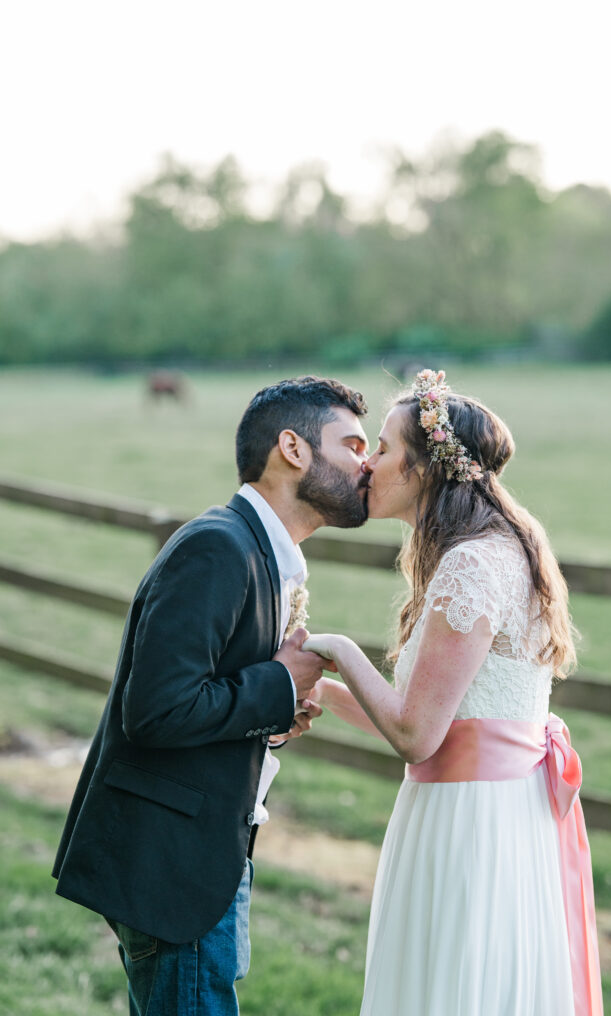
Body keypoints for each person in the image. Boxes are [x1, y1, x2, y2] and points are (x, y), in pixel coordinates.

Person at [52, 375, 370, 1016]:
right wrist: (279, 683)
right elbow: (157, 710)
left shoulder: (259, 550)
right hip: (173, 867)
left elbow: (202, 695)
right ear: (293, 448)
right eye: (354, 445)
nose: (367, 465)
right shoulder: (219, 547)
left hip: (202, 856)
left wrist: (275, 712)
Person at [304, 368, 603, 1016]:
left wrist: (335, 649)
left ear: (423, 469)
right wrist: (317, 693)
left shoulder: (471, 563)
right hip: (498, 812)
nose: (368, 463)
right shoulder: (498, 547)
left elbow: (415, 735)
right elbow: (436, 719)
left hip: (469, 825)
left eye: (383, 448)